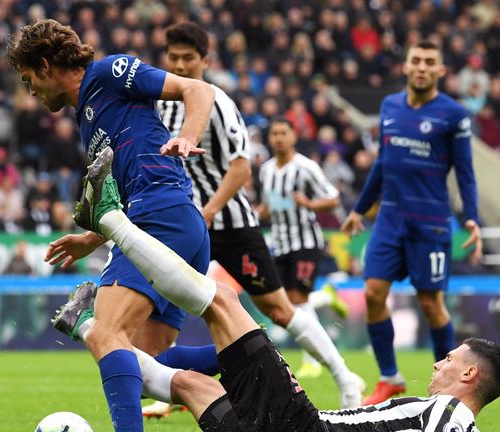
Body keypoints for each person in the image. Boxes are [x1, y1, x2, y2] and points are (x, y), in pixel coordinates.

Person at [47, 147, 500, 431]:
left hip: (299, 427)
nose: (439, 362)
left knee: (224, 302)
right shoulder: (438, 415)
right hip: (285, 426)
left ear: (470, 376)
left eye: (450, 359)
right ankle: (87, 324)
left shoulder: (449, 415)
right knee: (191, 384)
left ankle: (110, 218)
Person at [6, 19, 215, 432]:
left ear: (46, 66)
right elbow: (118, 187)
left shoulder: (108, 73)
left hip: (157, 214)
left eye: (30, 80)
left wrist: (187, 137)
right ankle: (248, 352)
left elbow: (197, 89)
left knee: (105, 336)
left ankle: (84, 325)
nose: (31, 92)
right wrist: (90, 238)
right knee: (139, 367)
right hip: (174, 221)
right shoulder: (88, 119)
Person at [146, 22, 362, 416]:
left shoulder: (220, 102)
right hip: (181, 223)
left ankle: (345, 377)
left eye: (187, 58)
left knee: (279, 308)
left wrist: (208, 211)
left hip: (228, 225)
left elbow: (241, 169)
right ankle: (176, 392)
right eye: (173, 57)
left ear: (205, 61)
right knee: (164, 310)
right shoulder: (159, 102)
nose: (179, 64)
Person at [340, 40, 483, 405]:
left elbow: (465, 172)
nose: (421, 67)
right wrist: (360, 207)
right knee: (372, 293)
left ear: (440, 71)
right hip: (389, 218)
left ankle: (450, 390)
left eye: (429, 62)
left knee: (431, 303)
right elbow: (382, 162)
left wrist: (471, 218)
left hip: (430, 222)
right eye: (415, 61)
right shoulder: (389, 106)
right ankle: (390, 377)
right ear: (405, 67)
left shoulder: (453, 114)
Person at [257, 117, 352, 379]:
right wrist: (255, 214)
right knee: (284, 304)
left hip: (306, 241)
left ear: (293, 137)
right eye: (274, 133)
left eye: (283, 133)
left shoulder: (306, 168)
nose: (278, 137)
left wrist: (309, 204)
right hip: (281, 242)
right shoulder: (266, 171)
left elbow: (332, 200)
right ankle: (326, 297)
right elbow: (268, 205)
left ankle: (312, 360)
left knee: (297, 300)